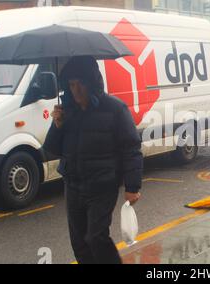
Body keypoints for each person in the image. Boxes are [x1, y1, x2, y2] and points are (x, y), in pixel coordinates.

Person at [43, 56, 143, 264]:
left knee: (96, 237)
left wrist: (132, 186)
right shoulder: (67, 112)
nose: (76, 90)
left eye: (81, 84)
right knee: (79, 241)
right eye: (71, 84)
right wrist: (57, 126)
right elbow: (51, 150)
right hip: (73, 185)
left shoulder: (115, 108)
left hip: (102, 185)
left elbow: (131, 148)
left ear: (92, 83)